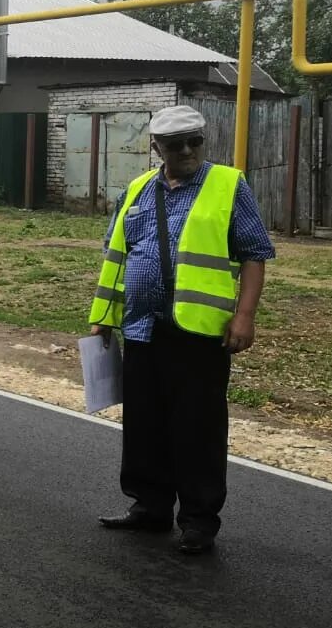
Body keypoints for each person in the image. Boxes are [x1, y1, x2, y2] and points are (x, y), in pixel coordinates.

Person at [88, 104, 275, 554]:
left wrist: (244, 315)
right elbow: (119, 256)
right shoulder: (135, 190)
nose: (188, 150)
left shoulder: (228, 185)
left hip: (198, 331)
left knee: (198, 428)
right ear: (156, 148)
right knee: (143, 423)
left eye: (195, 141)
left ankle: (198, 520)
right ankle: (149, 508)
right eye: (176, 144)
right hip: (140, 326)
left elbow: (254, 253)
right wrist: (103, 317)